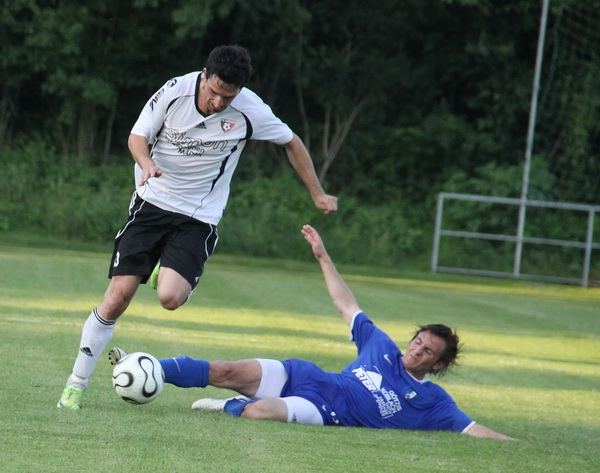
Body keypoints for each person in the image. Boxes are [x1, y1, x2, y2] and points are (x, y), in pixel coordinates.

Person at [57, 46, 337, 410]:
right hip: (152, 202)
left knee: (170, 298)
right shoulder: (175, 91)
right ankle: (76, 384)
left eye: (228, 97)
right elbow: (137, 137)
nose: (219, 103)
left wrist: (317, 192)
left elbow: (291, 142)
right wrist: (146, 163)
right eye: (214, 92)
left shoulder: (251, 110)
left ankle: (165, 271)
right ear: (204, 75)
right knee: (116, 298)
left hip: (199, 216)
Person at [109, 225, 515, 440]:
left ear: (438, 365)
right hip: (308, 376)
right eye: (418, 341)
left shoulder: (433, 402)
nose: (416, 350)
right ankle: (146, 366)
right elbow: (346, 304)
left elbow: (472, 430)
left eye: (427, 352)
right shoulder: (381, 346)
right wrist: (323, 256)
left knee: (257, 413)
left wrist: (515, 446)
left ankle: (227, 406)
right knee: (226, 369)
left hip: (325, 411)